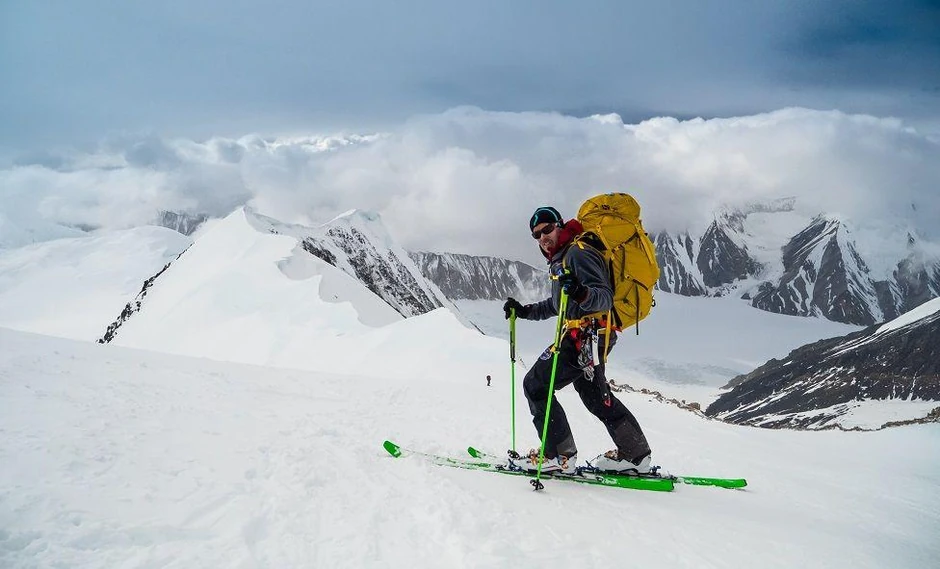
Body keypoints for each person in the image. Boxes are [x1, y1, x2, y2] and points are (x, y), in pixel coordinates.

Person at [503, 206, 652, 475]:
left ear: (560, 225)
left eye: (547, 229)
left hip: (583, 337)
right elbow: (558, 304)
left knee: (536, 385)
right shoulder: (562, 257)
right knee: (596, 397)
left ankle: (558, 456)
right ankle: (636, 455)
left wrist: (581, 292)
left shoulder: (577, 253)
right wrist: (524, 311)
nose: (543, 237)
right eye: (537, 235)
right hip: (592, 337)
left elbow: (603, 298)